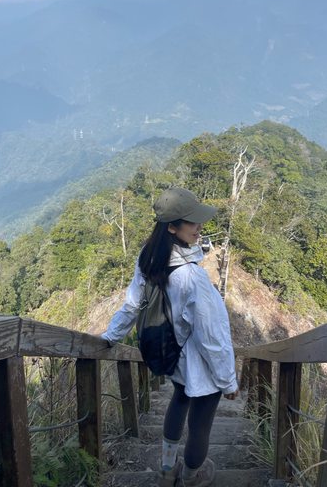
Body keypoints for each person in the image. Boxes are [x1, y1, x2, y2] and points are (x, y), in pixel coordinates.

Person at [102, 187, 239, 487]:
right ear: (172, 228)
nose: (199, 226)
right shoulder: (192, 277)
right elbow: (212, 337)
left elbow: (132, 305)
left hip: (173, 354)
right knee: (200, 424)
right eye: (192, 221)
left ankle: (166, 470)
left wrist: (110, 335)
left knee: (180, 399)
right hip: (198, 361)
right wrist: (228, 380)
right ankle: (191, 476)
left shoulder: (148, 257)